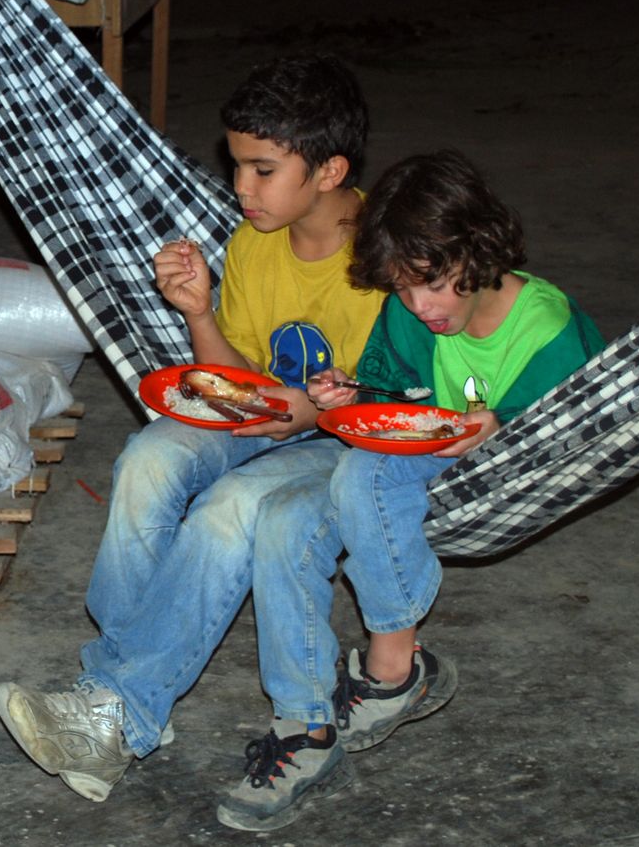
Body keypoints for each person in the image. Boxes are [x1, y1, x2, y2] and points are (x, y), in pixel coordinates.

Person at [0, 54, 386, 801]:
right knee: (149, 457)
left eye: (263, 170)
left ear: (330, 171)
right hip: (267, 412)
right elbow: (238, 384)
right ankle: (123, 694)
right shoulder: (254, 241)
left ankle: (117, 708)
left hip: (347, 442)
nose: (241, 188)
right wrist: (199, 311)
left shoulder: (384, 256)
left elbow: (377, 400)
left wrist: (301, 412)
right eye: (237, 166)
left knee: (230, 510)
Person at [216, 148, 604, 833]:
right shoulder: (410, 312)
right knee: (283, 521)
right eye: (403, 289)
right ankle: (304, 728)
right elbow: (393, 393)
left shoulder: (546, 329)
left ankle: (393, 665)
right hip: (417, 461)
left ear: (479, 249)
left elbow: (586, 421)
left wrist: (504, 424)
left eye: (435, 284)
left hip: (504, 466)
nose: (421, 306)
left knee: (361, 472)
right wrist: (350, 393)